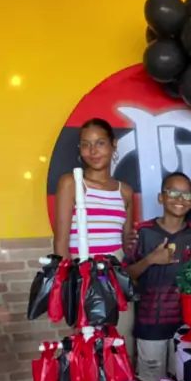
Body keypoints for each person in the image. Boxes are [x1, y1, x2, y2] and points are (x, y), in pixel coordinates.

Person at [53, 117, 135, 352]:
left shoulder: (125, 191)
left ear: (113, 144)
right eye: (86, 144)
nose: (93, 151)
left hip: (114, 277)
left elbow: (126, 243)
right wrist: (70, 285)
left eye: (100, 143)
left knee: (118, 344)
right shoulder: (72, 183)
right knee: (88, 347)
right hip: (82, 274)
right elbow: (61, 242)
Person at [125, 172, 191, 381]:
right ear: (161, 197)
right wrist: (151, 259)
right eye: (173, 193)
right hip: (151, 323)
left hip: (186, 323)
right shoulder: (143, 232)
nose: (180, 199)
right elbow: (126, 274)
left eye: (186, 195)